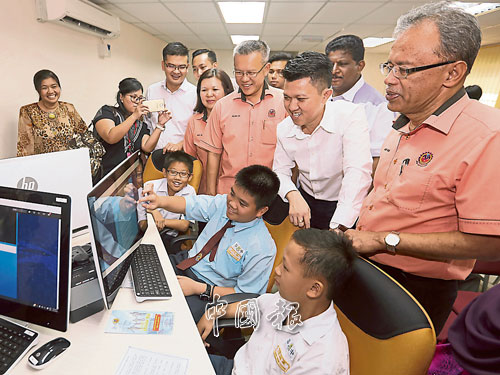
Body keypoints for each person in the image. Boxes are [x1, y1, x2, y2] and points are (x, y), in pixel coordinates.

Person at [345, 1, 500, 335]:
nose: (388, 79)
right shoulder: (405, 120)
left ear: (452, 73)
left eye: (405, 69)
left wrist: (383, 239)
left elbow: (491, 242)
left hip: (416, 289)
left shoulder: (487, 136)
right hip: (369, 268)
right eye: (390, 65)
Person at [199, 229, 354, 375]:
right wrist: (213, 313)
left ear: (314, 289)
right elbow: (253, 307)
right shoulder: (290, 300)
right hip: (235, 368)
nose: (277, 270)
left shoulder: (321, 359)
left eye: (285, 267)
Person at [139, 165, 280, 322]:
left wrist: (200, 288)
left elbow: (247, 296)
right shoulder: (222, 204)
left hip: (210, 292)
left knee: (166, 318)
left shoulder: (262, 248)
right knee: (139, 272)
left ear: (261, 211)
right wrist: (159, 201)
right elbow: (189, 204)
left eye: (242, 203)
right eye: (232, 194)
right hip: (186, 263)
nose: (232, 204)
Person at [272, 51, 372, 230]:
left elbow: (357, 173)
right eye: (287, 98)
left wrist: (339, 225)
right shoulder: (284, 128)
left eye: (301, 99)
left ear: (326, 95)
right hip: (306, 201)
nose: (292, 107)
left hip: (346, 203)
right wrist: (292, 194)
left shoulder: (350, 116)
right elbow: (280, 171)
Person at [200, 40, 287, 195]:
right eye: (239, 72)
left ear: (266, 69)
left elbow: (292, 155)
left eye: (251, 73)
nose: (245, 79)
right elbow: (213, 155)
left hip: (271, 195)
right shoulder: (222, 106)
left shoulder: (284, 102)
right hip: (229, 193)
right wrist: (212, 198)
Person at [325, 35, 394, 174]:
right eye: (330, 64)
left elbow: (377, 161)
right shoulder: (322, 96)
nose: (334, 70)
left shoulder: (378, 107)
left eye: (342, 64)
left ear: (360, 66)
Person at [93, 78, 169, 182]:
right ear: (121, 97)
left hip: (129, 178)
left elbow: (147, 147)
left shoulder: (140, 124)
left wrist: (160, 125)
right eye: (133, 97)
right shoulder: (108, 112)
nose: (137, 102)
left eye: (140, 98)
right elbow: (111, 137)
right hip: (105, 177)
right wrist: (134, 116)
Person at [184, 69, 234, 194]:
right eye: (204, 90)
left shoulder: (237, 120)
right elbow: (189, 161)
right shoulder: (194, 122)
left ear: (226, 91)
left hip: (233, 191)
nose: (209, 94)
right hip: (203, 191)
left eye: (215, 89)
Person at [17, 69, 87, 156]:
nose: (50, 91)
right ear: (38, 91)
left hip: (69, 163)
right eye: (44, 88)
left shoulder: (69, 108)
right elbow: (25, 148)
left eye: (54, 86)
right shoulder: (28, 111)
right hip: (42, 165)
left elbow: (85, 137)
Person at [144, 42, 197, 153]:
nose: (176, 71)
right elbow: (147, 123)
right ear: (163, 65)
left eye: (181, 67)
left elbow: (200, 131)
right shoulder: (152, 90)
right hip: (154, 156)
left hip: (183, 157)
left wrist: (180, 145)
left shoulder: (196, 94)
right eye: (171, 66)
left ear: (187, 67)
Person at [137, 151, 196, 249]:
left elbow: (184, 225)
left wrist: (162, 221)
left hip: (170, 237)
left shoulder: (190, 192)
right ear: (165, 172)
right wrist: (154, 211)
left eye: (183, 174)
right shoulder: (150, 186)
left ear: (190, 177)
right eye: (173, 172)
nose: (177, 178)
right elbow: (142, 225)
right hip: (147, 234)